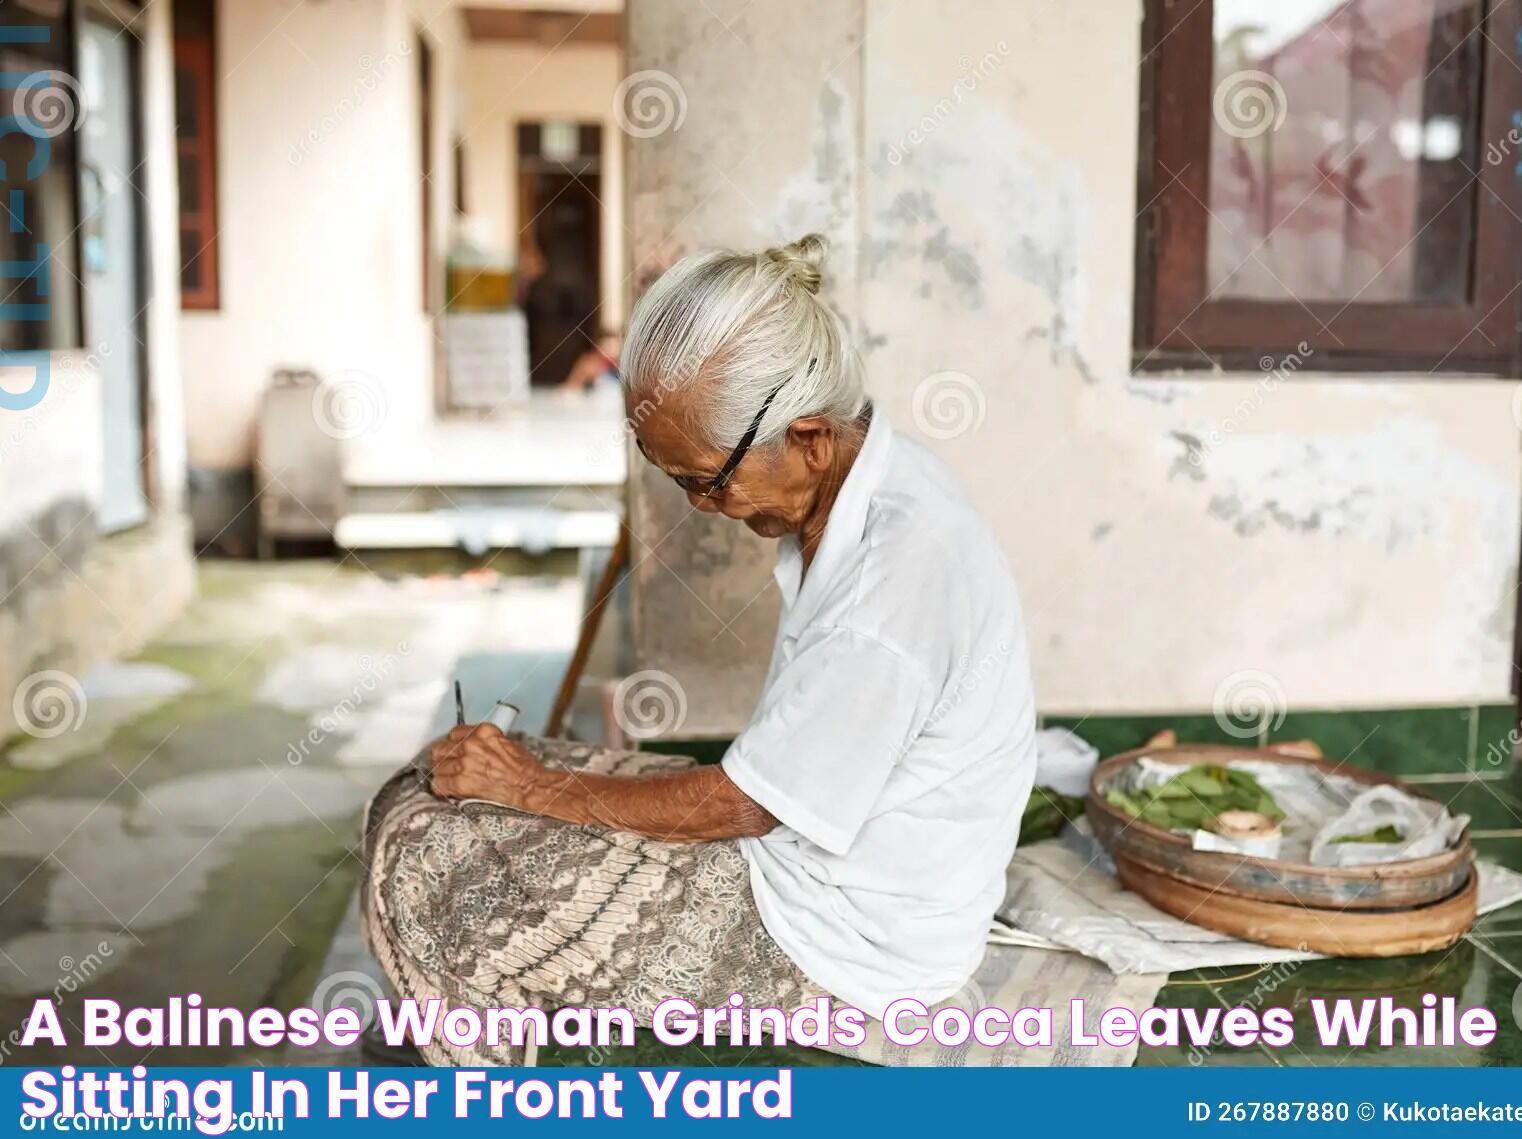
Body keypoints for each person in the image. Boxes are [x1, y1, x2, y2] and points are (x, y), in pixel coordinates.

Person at [361, 234, 1036, 1065]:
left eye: (707, 480)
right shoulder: (872, 478)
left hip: (850, 942)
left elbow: (745, 804)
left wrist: (532, 787)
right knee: (426, 785)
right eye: (667, 470)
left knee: (428, 865)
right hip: (808, 859)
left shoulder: (891, 583)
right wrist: (524, 785)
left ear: (811, 435)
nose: (702, 504)